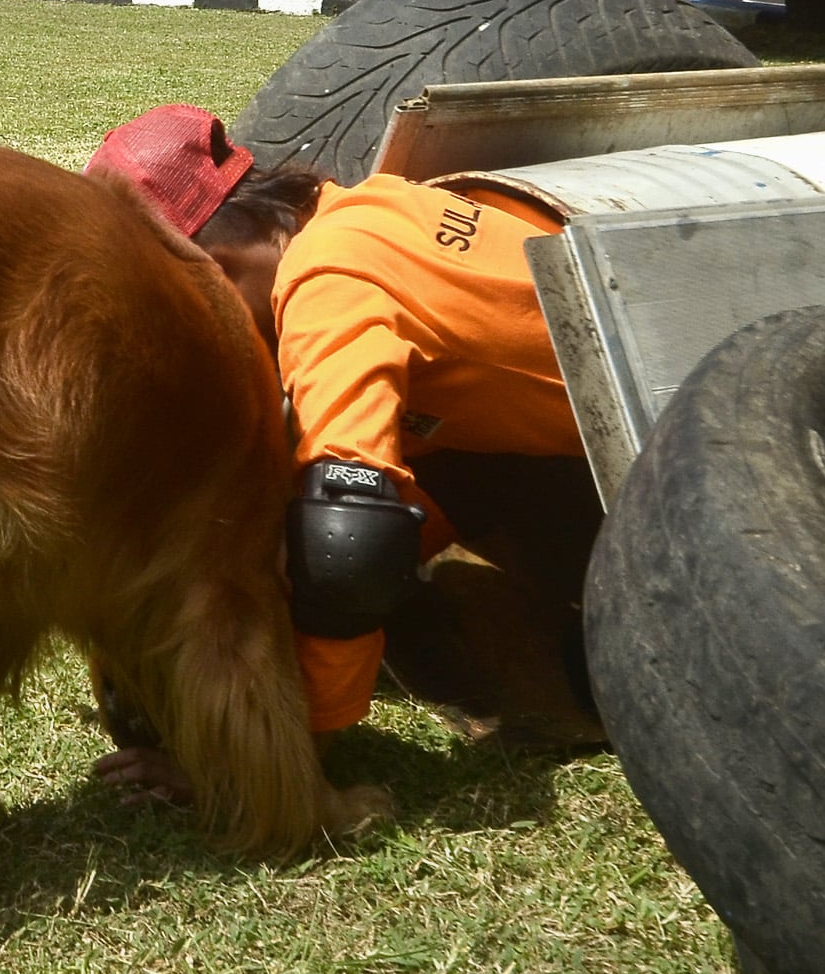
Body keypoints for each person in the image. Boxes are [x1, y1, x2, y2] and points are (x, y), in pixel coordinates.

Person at [81, 105, 598, 796]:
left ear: (213, 271)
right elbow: (433, 465)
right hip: (598, 426)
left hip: (668, 457)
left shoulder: (328, 279)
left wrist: (279, 750)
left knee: (340, 526)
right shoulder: (367, 209)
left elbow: (350, 542)